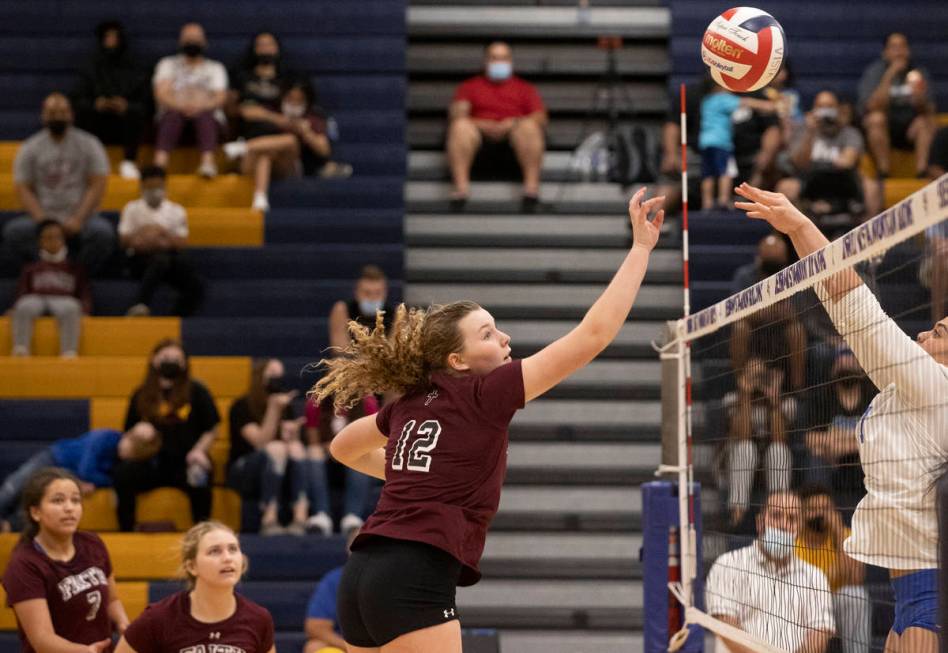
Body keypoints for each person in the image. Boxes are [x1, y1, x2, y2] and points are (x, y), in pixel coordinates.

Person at [311, 188, 664, 650]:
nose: (504, 337)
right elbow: (592, 336)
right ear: (457, 360)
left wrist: (410, 473)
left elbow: (341, 448)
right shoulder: (483, 392)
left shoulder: (412, 401)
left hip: (361, 575)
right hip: (414, 575)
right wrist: (640, 250)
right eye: (488, 333)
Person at [734, 181, 948, 652]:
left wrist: (800, 227)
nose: (922, 333)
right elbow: (843, 306)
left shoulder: (938, 388)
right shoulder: (912, 390)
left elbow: (856, 309)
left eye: (938, 332)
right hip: (913, 590)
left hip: (933, 592)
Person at [1, 468, 131, 653]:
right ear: (36, 512)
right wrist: (86, 651)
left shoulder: (92, 543)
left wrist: (124, 624)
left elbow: (112, 600)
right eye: (58, 500)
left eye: (75, 500)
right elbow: (42, 641)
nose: (69, 508)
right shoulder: (24, 564)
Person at [114, 521, 275, 653]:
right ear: (192, 566)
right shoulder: (158, 618)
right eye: (214, 551)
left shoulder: (259, 619)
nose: (227, 558)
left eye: (233, 549)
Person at [705, 490, 835, 653]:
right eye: (776, 516)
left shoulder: (815, 577)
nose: (783, 524)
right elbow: (727, 629)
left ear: (800, 528)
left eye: (792, 519)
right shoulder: (728, 564)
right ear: (760, 523)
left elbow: (819, 635)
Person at [112, 339, 219, 532]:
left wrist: (199, 450)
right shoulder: (141, 394)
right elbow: (126, 434)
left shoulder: (197, 391)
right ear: (154, 360)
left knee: (200, 473)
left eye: (176, 358)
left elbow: (212, 427)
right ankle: (127, 530)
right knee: (122, 474)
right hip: (151, 462)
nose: (170, 362)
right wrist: (137, 433)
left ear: (185, 363)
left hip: (186, 461)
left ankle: (202, 534)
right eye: (166, 357)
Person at [3, 93, 114, 275]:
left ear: (71, 114)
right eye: (52, 112)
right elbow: (23, 187)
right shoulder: (30, 147)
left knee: (103, 233)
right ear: (43, 116)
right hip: (42, 216)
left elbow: (98, 184)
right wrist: (44, 222)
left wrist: (78, 218)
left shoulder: (90, 144)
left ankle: (76, 277)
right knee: (13, 233)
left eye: (62, 112)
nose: (57, 117)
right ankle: (41, 272)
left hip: (81, 217)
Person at [228, 358, 329, 536]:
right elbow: (260, 442)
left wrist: (293, 433)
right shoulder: (241, 406)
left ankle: (300, 514)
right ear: (259, 376)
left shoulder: (285, 405)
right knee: (276, 448)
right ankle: (269, 516)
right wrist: (274, 410)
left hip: (278, 465)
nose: (277, 378)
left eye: (280, 375)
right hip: (245, 468)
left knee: (296, 448)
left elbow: (289, 444)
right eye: (272, 373)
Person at [0, 424, 160, 532]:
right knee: (14, 487)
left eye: (132, 452)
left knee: (42, 504)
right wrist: (93, 482)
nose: (126, 451)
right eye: (129, 444)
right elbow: (87, 471)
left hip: (68, 477)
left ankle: (7, 526)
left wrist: (90, 483)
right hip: (55, 458)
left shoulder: (121, 464)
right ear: (127, 436)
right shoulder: (105, 438)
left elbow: (92, 477)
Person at [447, 41, 547, 212]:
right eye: (494, 58)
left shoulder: (524, 88)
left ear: (511, 61)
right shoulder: (470, 87)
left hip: (514, 132)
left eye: (504, 58)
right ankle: (461, 189)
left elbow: (541, 117)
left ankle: (531, 190)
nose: (499, 62)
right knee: (459, 127)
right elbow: (458, 114)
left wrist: (513, 123)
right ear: (486, 61)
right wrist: (479, 123)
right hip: (478, 131)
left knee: (530, 127)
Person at [223, 32, 301, 211]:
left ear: (277, 48)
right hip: (252, 150)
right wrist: (234, 105)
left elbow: (295, 120)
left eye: (269, 44)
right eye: (261, 45)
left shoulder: (288, 79)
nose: (265, 49)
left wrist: (264, 115)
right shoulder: (242, 78)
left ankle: (245, 147)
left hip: (283, 152)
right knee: (264, 155)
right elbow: (232, 111)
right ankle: (260, 199)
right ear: (254, 49)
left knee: (291, 141)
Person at [118, 166, 203, 317]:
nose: (155, 191)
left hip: (169, 260)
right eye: (150, 187)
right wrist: (144, 233)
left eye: (158, 186)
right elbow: (124, 240)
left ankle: (177, 317)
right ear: (142, 186)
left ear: (164, 185)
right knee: (159, 260)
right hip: (139, 261)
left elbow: (182, 243)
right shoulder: (132, 208)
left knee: (195, 283)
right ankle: (140, 304)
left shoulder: (177, 210)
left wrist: (162, 233)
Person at [796, 485, 871, 653]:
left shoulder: (846, 536)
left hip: (835, 604)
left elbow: (856, 579)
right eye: (813, 509)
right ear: (801, 514)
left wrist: (838, 534)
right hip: (803, 608)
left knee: (856, 595)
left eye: (825, 509)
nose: (820, 514)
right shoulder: (793, 540)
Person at [779, 90, 865, 233]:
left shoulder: (849, 132)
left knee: (869, 184)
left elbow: (847, 162)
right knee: (786, 187)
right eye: (821, 107)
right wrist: (810, 132)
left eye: (830, 107)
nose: (826, 112)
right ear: (814, 110)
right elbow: (799, 164)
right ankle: (797, 236)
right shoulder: (803, 130)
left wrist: (839, 124)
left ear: (838, 109)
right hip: (809, 181)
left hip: (840, 182)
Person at [723, 359, 795, 529]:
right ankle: (737, 515)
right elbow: (743, 435)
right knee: (746, 448)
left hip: (770, 460)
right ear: (742, 376)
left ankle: (778, 515)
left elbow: (780, 438)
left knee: (778, 450)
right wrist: (746, 395)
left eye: (760, 376)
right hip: (738, 460)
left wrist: (774, 399)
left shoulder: (786, 401)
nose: (756, 380)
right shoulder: (731, 399)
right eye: (752, 375)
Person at [72, 20, 149, 180]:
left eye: (115, 36)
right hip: (98, 120)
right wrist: (97, 104)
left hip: (125, 123)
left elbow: (146, 102)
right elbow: (78, 98)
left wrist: (126, 105)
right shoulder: (91, 67)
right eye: (107, 36)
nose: (111, 40)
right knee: (83, 113)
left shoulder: (134, 67)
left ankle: (128, 161)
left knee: (135, 113)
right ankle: (89, 162)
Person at [152, 23, 227, 177]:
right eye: (188, 39)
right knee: (173, 115)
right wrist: (181, 106)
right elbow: (161, 94)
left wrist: (200, 106)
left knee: (205, 116)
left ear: (204, 42)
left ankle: (208, 163)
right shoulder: (168, 64)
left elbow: (220, 97)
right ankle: (159, 165)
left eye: (196, 39)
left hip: (207, 117)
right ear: (180, 42)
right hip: (173, 114)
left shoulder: (215, 68)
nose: (192, 43)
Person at [858, 32, 936, 179]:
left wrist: (920, 99)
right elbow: (871, 107)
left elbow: (929, 110)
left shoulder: (919, 72)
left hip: (911, 129)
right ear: (885, 52)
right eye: (894, 47)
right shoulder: (875, 72)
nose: (899, 52)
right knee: (875, 119)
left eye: (903, 46)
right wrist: (890, 74)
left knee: (925, 122)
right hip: (885, 130)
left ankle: (922, 173)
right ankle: (884, 172)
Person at [9, 220, 92, 357]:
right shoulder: (31, 268)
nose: (53, 241)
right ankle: (21, 348)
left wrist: (86, 309)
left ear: (64, 240)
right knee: (23, 305)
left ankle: (69, 351)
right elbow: (22, 291)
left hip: (64, 299)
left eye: (57, 237)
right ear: (40, 242)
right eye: (48, 238)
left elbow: (84, 291)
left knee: (72, 308)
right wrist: (15, 306)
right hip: (37, 298)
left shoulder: (75, 268)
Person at [304, 395, 379, 534]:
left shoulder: (367, 403)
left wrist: (343, 449)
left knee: (363, 453)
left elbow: (372, 441)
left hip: (355, 458)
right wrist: (331, 448)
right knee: (313, 452)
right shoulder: (315, 403)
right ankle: (322, 514)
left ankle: (352, 516)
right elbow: (313, 440)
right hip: (326, 460)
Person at [800, 351, 870, 497]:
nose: (845, 361)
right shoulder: (821, 398)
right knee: (815, 459)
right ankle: (818, 511)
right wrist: (858, 438)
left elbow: (880, 438)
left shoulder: (872, 395)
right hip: (830, 462)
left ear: (862, 369)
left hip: (864, 462)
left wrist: (836, 443)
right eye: (841, 359)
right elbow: (810, 439)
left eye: (851, 359)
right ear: (832, 370)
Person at [699, 87, 776, 209]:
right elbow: (748, 102)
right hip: (721, 142)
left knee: (708, 174)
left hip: (705, 142)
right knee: (726, 171)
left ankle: (706, 203)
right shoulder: (723, 98)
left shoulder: (707, 100)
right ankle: (723, 201)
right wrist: (771, 106)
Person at [303, 529, 360, 653]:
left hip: (387, 645)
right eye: (357, 545)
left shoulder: (394, 580)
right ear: (348, 548)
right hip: (347, 646)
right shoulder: (334, 580)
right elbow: (315, 626)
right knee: (315, 647)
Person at [328, 265, 395, 353]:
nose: (373, 298)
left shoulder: (396, 314)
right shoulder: (342, 310)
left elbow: (394, 352)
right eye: (367, 293)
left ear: (385, 293)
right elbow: (339, 350)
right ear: (356, 292)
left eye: (378, 293)